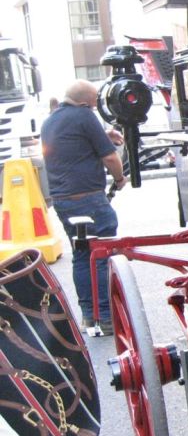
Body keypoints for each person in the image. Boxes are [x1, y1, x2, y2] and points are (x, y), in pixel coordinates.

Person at [40, 80, 126, 334]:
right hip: (89, 198)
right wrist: (120, 179)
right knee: (102, 254)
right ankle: (107, 316)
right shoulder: (85, 116)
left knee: (81, 255)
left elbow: (73, 144)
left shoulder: (50, 121)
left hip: (64, 201)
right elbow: (110, 157)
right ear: (86, 103)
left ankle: (89, 316)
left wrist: (102, 134)